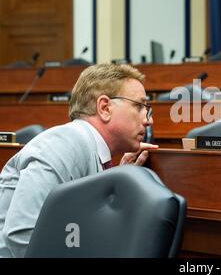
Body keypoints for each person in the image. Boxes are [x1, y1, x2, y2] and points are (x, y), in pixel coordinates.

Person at [0, 63, 158, 258]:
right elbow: (22, 235)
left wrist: (112, 179)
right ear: (105, 107)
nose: (148, 120)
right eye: (140, 106)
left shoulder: (86, 146)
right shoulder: (65, 143)